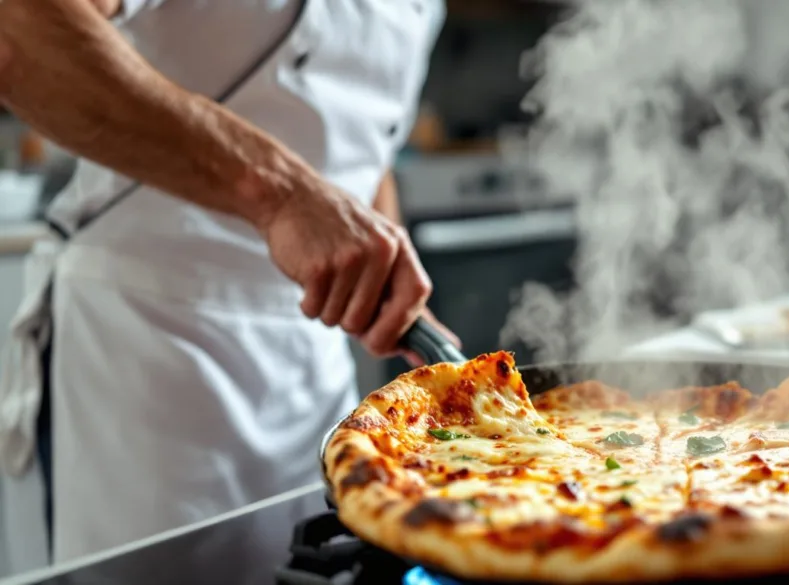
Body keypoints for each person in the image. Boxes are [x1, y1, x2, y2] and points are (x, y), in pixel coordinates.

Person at [0, 0, 457, 570]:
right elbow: (20, 31)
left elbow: (357, 142)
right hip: (151, 353)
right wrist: (283, 195)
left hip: (318, 375)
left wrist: (387, 275)